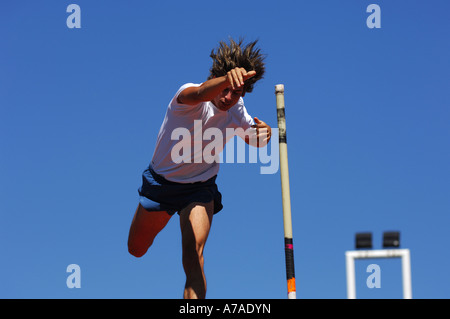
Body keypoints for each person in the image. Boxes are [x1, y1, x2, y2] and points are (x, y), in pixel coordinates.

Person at [127, 38, 271, 299]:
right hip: (161, 185)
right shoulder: (188, 95)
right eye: (225, 89)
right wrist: (227, 79)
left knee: (194, 254)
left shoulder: (237, 110)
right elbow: (202, 92)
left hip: (200, 188)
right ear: (215, 79)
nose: (228, 98)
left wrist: (266, 134)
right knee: (136, 248)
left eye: (236, 92)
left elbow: (255, 139)